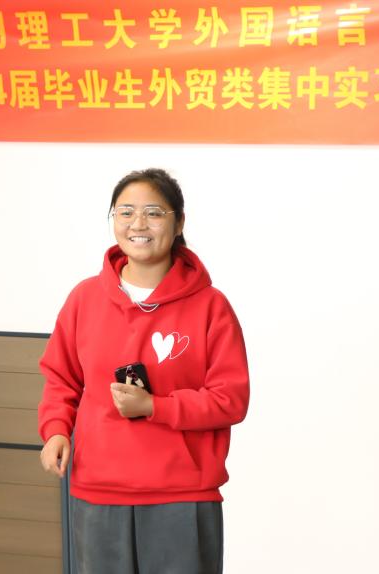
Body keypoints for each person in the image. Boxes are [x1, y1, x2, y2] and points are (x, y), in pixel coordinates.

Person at [38, 168, 251, 574]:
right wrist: (56, 431)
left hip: (182, 494)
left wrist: (155, 406)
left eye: (154, 213)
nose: (138, 224)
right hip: (97, 491)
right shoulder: (84, 299)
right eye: (125, 212)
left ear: (179, 222)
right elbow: (60, 378)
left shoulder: (211, 306)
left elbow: (231, 399)